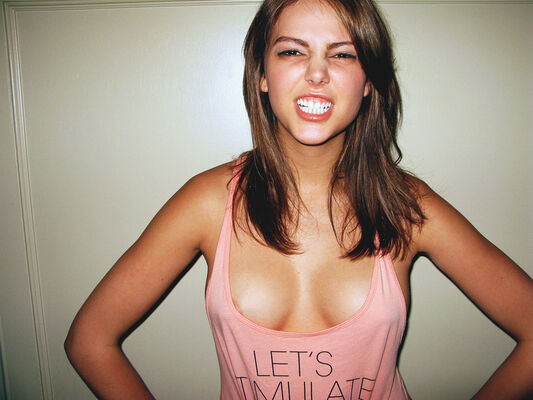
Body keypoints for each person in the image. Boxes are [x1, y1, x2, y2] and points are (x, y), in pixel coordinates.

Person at [64, 0, 533, 398]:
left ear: (368, 82)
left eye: (343, 55)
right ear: (262, 75)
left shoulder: (407, 206)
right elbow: (90, 340)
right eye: (292, 51)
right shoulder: (208, 202)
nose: (317, 74)